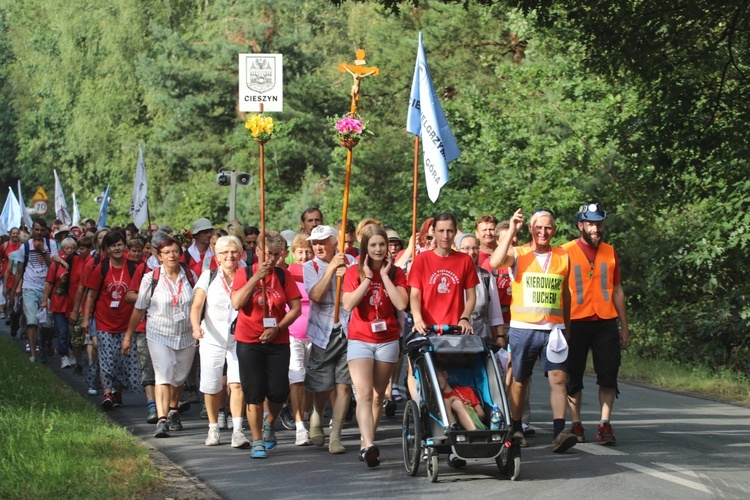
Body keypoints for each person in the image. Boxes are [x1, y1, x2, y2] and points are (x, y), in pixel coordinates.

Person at [489, 208, 577, 453]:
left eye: (548, 228)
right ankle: (516, 427)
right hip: (523, 329)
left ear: (555, 230)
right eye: (538, 227)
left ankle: (560, 433)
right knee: (519, 381)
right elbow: (495, 262)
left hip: (554, 330)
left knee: (559, 379)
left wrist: (567, 326)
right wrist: (512, 231)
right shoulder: (518, 253)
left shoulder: (563, 255)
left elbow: (565, 295)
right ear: (530, 228)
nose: (543, 232)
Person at [562, 203, 629, 445]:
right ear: (581, 225)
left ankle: (604, 424)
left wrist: (624, 326)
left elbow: (617, 289)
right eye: (590, 223)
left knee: (609, 373)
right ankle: (576, 423)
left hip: (605, 320)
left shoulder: (610, 251)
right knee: (573, 376)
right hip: (575, 321)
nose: (595, 228)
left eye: (599, 223)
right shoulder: (566, 251)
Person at [231, 231, 301, 459]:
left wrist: (278, 327)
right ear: (258, 251)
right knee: (254, 391)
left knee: (279, 391)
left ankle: (270, 423)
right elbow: (237, 303)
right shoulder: (244, 272)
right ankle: (257, 440)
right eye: (267, 254)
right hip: (249, 340)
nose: (271, 259)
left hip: (277, 339)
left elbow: (296, 308)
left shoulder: (283, 276)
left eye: (276, 255)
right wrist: (255, 279)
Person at [342, 225, 408, 467]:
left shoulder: (398, 273)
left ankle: (365, 440)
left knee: (380, 395)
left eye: (382, 244)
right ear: (365, 248)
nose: (379, 249)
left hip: (387, 339)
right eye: (374, 245)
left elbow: (401, 303)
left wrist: (385, 277)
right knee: (365, 393)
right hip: (360, 339)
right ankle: (369, 445)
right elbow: (348, 305)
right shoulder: (353, 272)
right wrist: (368, 278)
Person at [123, 236, 197, 438]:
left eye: (174, 251)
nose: (171, 255)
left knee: (179, 376)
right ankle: (162, 419)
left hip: (185, 335)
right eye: (166, 252)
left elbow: (197, 305)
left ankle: (173, 409)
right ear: (159, 256)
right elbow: (139, 309)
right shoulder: (151, 278)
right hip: (158, 333)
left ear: (180, 254)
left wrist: (199, 328)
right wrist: (128, 336)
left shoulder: (190, 276)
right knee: (163, 374)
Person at [190, 235, 250, 448]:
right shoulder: (208, 276)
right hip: (211, 338)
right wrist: (196, 327)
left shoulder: (246, 275)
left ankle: (237, 430)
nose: (229, 256)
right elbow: (197, 305)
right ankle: (213, 428)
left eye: (234, 251)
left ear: (240, 254)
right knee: (212, 384)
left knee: (237, 383)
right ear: (217, 257)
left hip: (238, 338)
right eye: (224, 252)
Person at [303, 225, 357, 454]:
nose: (318, 247)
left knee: (344, 385)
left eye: (323, 242)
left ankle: (336, 434)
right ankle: (317, 412)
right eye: (314, 243)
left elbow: (357, 290)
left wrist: (347, 276)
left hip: (348, 329)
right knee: (322, 384)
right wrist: (330, 271)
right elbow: (315, 296)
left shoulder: (352, 262)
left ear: (335, 243)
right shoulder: (310, 266)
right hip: (323, 332)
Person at [81, 231, 141, 410]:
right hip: (104, 321)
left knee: (123, 360)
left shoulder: (133, 268)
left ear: (125, 247)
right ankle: (107, 392)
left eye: (120, 244)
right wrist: (86, 319)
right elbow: (91, 295)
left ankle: (117, 392)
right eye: (113, 245)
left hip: (127, 322)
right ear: (106, 249)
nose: (117, 248)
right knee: (106, 357)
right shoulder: (102, 267)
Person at [14, 218, 58, 362]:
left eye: (41, 230)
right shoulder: (25, 247)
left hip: (47, 287)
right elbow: (19, 271)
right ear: (32, 230)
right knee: (31, 321)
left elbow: (53, 267)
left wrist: (43, 251)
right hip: (29, 286)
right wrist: (14, 291)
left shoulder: (51, 245)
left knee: (48, 324)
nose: (39, 233)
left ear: (46, 231)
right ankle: (33, 354)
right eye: (36, 230)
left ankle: (43, 345)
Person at [287, 234, 314, 446]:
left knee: (311, 380)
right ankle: (299, 426)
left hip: (316, 333)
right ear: (293, 253)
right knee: (296, 377)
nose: (304, 255)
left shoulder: (319, 271)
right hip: (293, 334)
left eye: (308, 251)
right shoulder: (288, 274)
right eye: (300, 251)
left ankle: (306, 416)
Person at [41, 237, 80, 369]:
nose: (69, 250)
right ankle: (64, 356)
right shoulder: (55, 265)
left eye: (72, 248)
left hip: (74, 303)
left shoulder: (78, 262)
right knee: (62, 331)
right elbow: (49, 283)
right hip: (58, 303)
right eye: (67, 248)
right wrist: (44, 300)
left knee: (73, 332)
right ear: (62, 249)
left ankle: (72, 352)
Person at [457, 234, 504, 343]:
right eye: (467, 248)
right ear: (458, 250)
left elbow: (495, 311)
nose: (471, 252)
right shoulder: (451, 274)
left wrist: (500, 336)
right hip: (456, 337)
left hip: (481, 337)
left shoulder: (486, 276)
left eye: (475, 248)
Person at [436, 365, 486, 430]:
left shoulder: (466, 390)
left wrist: (465, 411)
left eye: (436, 375)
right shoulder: (434, 399)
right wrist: (450, 401)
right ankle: (454, 430)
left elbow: (482, 415)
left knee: (457, 403)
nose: (434, 380)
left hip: (476, 425)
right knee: (445, 402)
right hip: (448, 430)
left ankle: (473, 432)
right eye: (429, 379)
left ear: (445, 374)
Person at [2, 227, 22, 334]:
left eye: (17, 233)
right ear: (10, 234)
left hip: (21, 279)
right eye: (13, 233)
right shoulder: (5, 246)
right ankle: (12, 318)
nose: (15, 235)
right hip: (9, 277)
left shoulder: (22, 247)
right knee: (12, 302)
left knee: (19, 306)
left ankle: (15, 319)